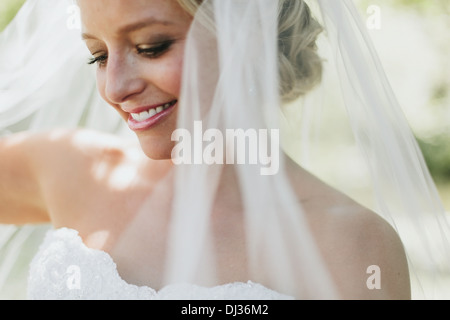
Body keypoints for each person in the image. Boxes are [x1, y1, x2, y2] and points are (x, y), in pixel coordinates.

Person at [0, 0, 448, 300]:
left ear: (247, 35)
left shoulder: (353, 246)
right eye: (97, 55)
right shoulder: (68, 169)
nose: (115, 87)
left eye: (150, 47)